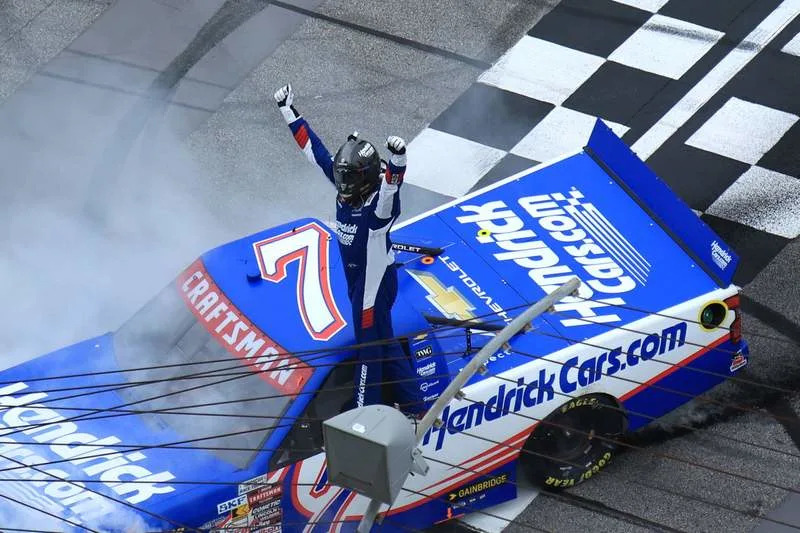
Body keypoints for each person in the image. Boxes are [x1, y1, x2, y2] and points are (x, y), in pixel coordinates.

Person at [274, 84, 423, 414]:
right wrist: (289, 112)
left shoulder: (377, 208)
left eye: (348, 178)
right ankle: (417, 406)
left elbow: (390, 189)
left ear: (366, 178)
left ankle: (363, 421)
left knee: (368, 355)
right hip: (362, 284)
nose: (341, 185)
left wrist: (398, 161)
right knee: (384, 343)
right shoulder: (346, 187)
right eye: (340, 177)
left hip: (372, 289)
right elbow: (317, 154)